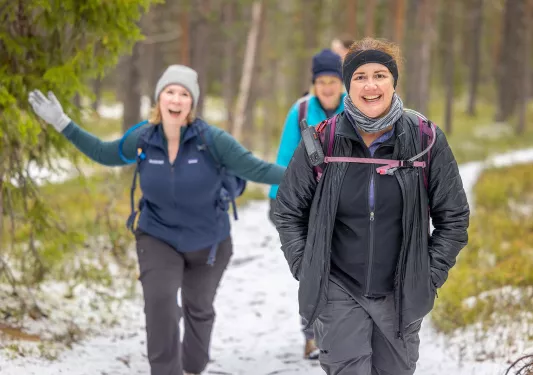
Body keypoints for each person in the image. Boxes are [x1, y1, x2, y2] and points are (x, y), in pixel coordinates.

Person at [28, 65, 286, 375]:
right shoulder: (143, 138)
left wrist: (313, 174)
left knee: (198, 309)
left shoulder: (212, 140)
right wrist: (62, 122)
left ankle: (193, 362)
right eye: (170, 92)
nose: (176, 99)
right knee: (160, 302)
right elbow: (103, 152)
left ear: (192, 103)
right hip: (157, 235)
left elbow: (257, 170)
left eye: (184, 94)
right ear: (159, 99)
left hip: (209, 241)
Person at [273, 37, 470, 375]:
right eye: (360, 76)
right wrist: (307, 268)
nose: (370, 85)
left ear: (393, 82)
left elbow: (453, 217)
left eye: (380, 75)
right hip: (338, 290)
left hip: (401, 293)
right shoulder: (321, 139)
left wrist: (428, 275)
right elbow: (289, 210)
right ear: (348, 85)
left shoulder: (425, 139)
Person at [268, 48, 346, 360]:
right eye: (321, 80)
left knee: (342, 272)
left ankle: (341, 332)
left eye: (333, 80)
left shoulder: (355, 111)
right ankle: (312, 336)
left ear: (342, 82)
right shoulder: (300, 112)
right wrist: (277, 202)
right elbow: (285, 159)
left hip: (345, 208)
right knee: (313, 271)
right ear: (313, 83)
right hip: (307, 207)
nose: (327, 87)